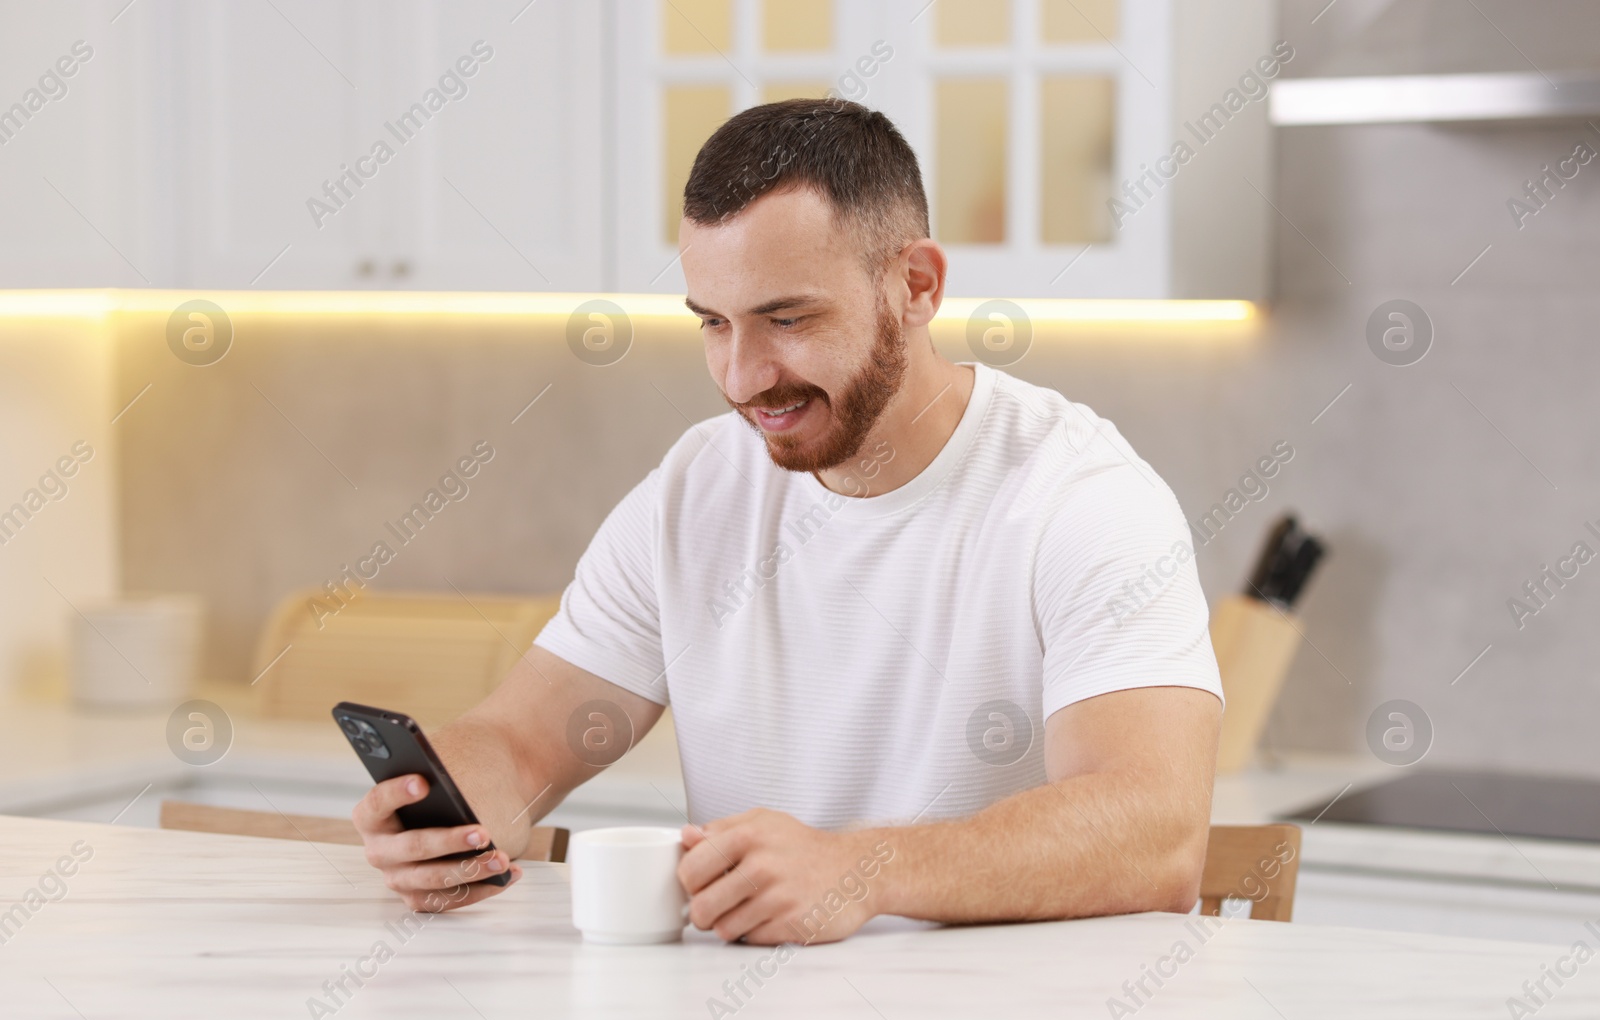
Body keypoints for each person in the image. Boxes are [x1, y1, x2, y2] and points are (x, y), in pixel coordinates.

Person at [354, 98, 1224, 946]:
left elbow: (1154, 831)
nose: (743, 376)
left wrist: (860, 869)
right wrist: (451, 807)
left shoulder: (1083, 497)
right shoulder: (695, 489)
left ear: (915, 285)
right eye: (714, 324)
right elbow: (525, 741)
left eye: (787, 319)